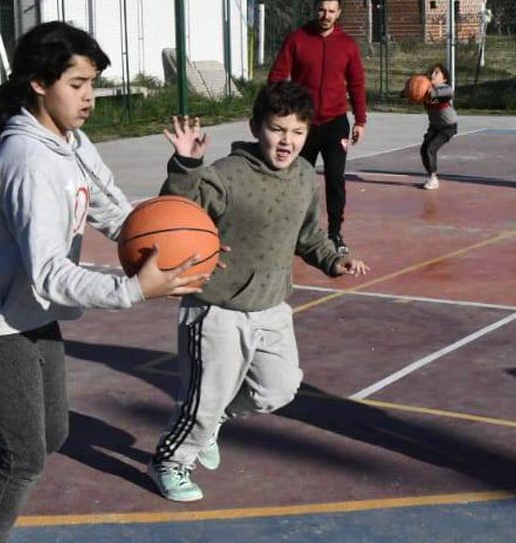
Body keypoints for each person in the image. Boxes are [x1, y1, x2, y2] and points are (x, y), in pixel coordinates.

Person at [0, 21, 208, 543]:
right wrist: (133, 289)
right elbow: (48, 273)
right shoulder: (29, 160)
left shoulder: (68, 141)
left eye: (93, 83)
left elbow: (112, 207)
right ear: (41, 84)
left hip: (27, 309)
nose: (90, 96)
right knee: (26, 453)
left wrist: (169, 237)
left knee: (51, 435)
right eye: (78, 83)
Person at [148, 82, 370, 503]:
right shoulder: (227, 174)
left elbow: (308, 234)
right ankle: (169, 461)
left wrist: (332, 259)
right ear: (256, 127)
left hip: (271, 306)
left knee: (279, 389)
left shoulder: (304, 175)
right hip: (217, 308)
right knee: (204, 396)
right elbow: (174, 216)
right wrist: (185, 164)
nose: (287, 140)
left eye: (297, 132)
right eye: (277, 129)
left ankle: (212, 423)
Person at [267, 0, 368, 251]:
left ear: (339, 13)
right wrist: (281, 108)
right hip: (304, 124)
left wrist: (360, 119)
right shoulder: (298, 39)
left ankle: (335, 233)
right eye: (322, 10)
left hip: (335, 122)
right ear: (315, 9)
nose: (326, 15)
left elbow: (357, 84)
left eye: (332, 11)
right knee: (296, 178)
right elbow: (278, 75)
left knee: (335, 178)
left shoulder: (347, 45)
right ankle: (292, 230)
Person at [419, 62, 457, 190]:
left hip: (448, 127)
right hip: (434, 127)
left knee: (431, 148)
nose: (433, 75)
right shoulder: (426, 91)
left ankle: (433, 179)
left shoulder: (445, 89)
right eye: (431, 73)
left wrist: (426, 90)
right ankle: (431, 175)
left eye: (437, 73)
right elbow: (412, 93)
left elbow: (441, 94)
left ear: (444, 78)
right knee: (424, 149)